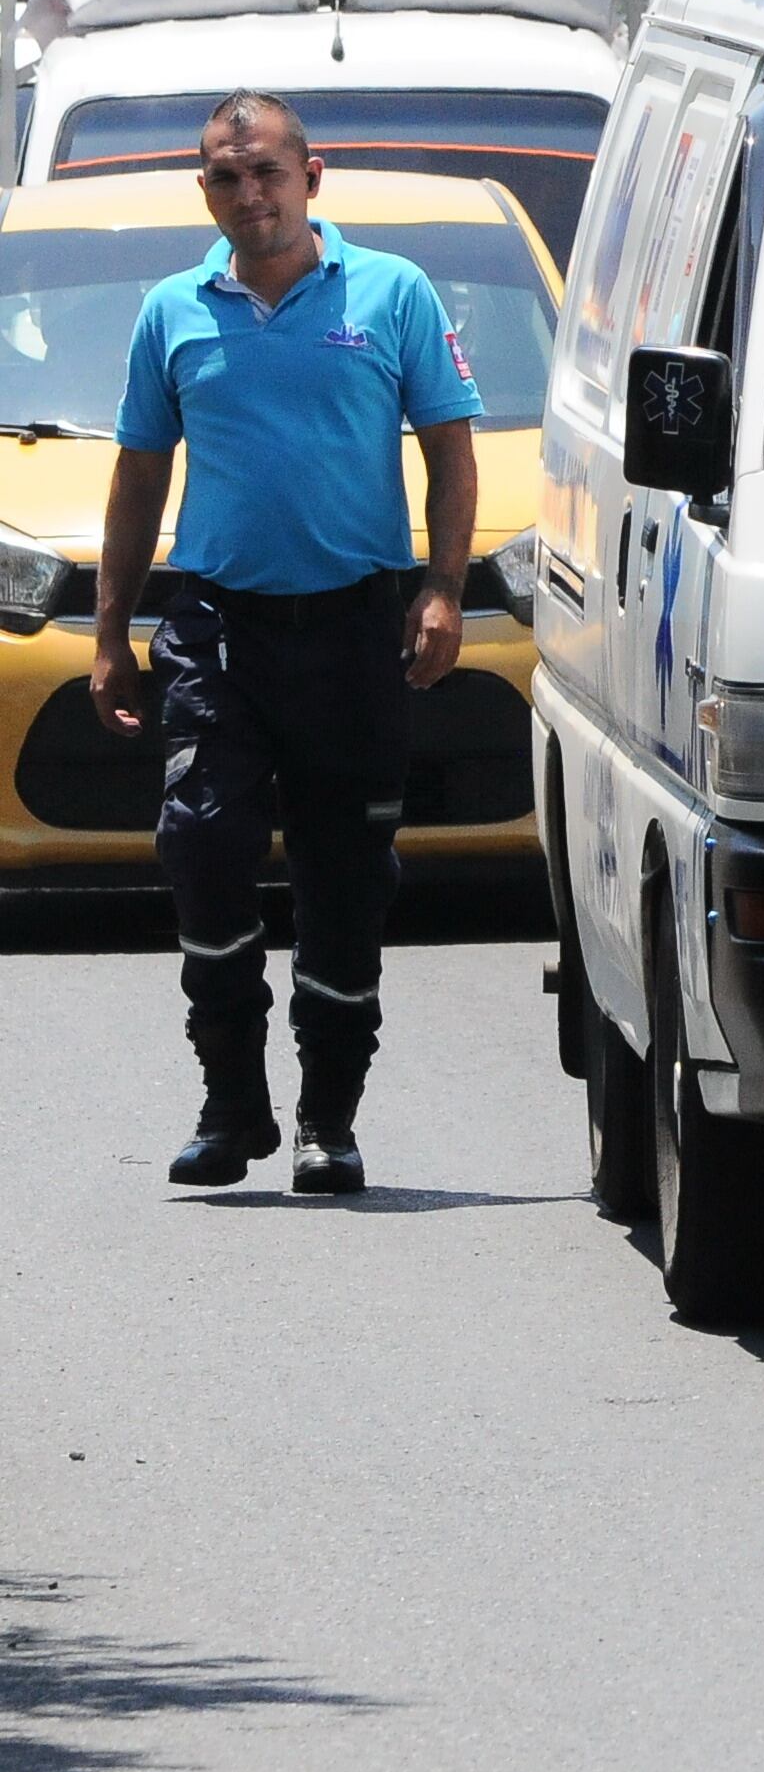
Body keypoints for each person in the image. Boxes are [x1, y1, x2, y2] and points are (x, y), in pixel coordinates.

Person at [92, 90, 481, 1194]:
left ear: (312, 179)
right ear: (204, 190)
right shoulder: (173, 311)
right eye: (226, 176)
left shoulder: (392, 294)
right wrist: (112, 632)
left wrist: (442, 591)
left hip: (356, 628)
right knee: (204, 846)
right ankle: (231, 1108)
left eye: (266, 172)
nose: (248, 193)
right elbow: (136, 476)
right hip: (218, 628)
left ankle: (329, 1120)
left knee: (344, 878)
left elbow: (451, 454)